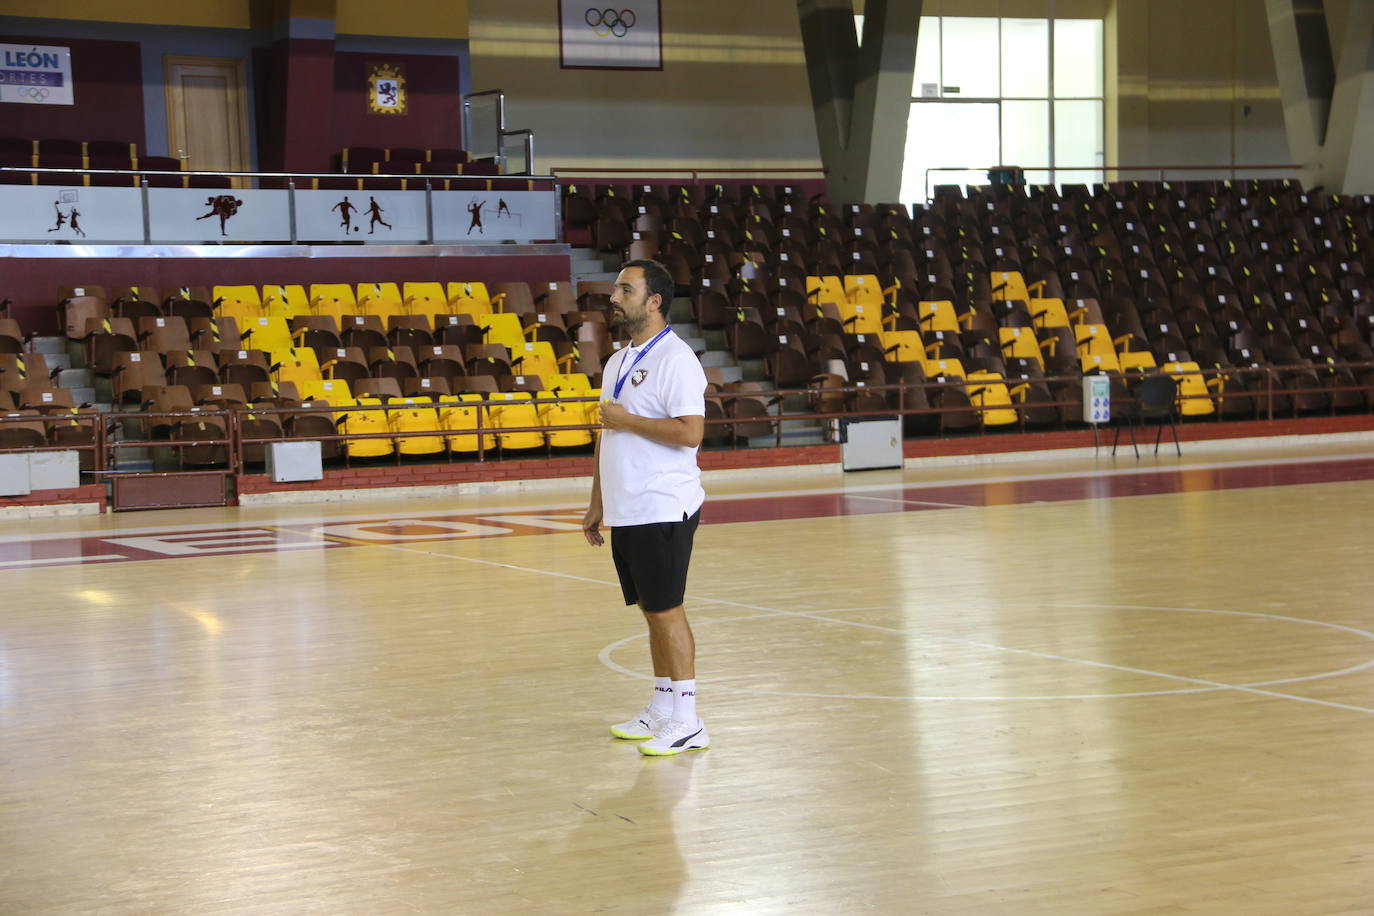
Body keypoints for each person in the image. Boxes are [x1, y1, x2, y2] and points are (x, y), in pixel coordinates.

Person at [583, 259, 710, 756]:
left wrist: (628, 420)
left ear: (654, 300)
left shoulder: (677, 359)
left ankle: (688, 719)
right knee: (651, 611)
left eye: (625, 289)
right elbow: (606, 437)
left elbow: (690, 432)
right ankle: (662, 706)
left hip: (663, 504)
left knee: (667, 611)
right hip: (628, 507)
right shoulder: (618, 361)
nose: (614, 297)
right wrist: (597, 501)